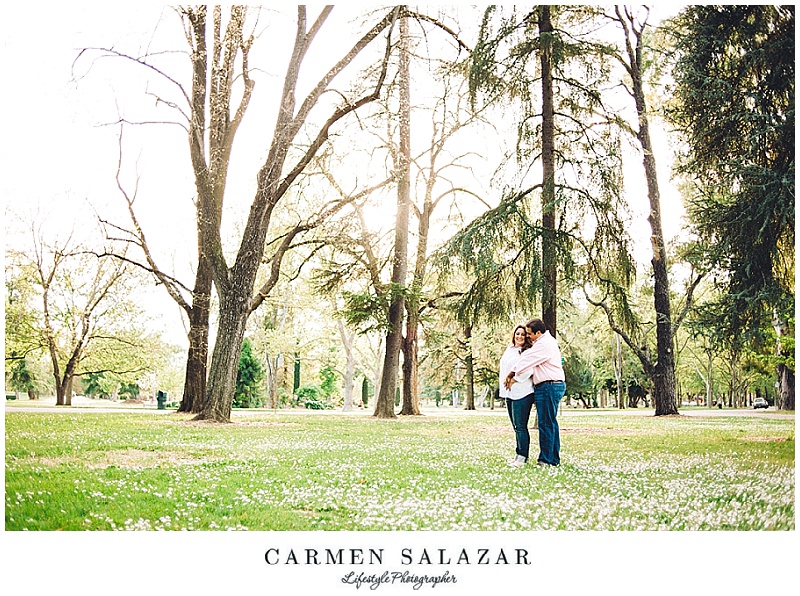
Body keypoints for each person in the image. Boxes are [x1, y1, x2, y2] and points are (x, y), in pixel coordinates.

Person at [504, 318, 565, 467]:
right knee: (550, 423)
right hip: (549, 386)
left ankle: (546, 459)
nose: (528, 336)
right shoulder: (543, 342)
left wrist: (511, 374)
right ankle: (553, 458)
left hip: (549, 386)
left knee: (545, 424)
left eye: (530, 334)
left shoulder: (544, 344)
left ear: (538, 333)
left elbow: (527, 360)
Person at [498, 325, 534, 468]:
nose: (520, 336)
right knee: (515, 426)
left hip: (523, 392)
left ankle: (522, 456)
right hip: (509, 393)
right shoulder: (510, 349)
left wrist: (514, 380)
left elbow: (528, 370)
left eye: (523, 334)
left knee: (521, 426)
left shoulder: (527, 352)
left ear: (527, 337)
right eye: (517, 334)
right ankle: (518, 454)